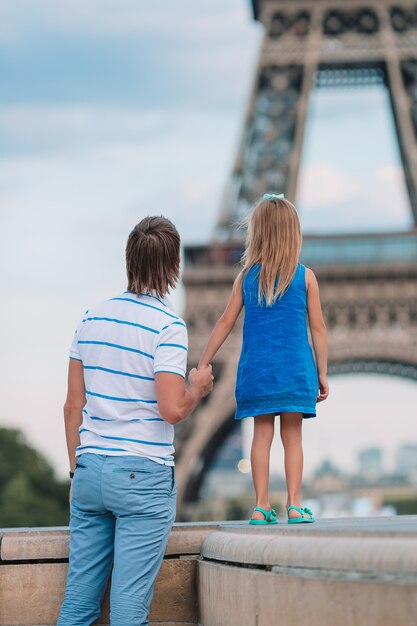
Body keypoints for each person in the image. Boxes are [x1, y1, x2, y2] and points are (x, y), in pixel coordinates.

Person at [57, 216, 213, 626]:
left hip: (89, 472)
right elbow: (172, 410)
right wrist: (197, 387)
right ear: (175, 264)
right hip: (142, 476)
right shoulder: (167, 326)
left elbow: (72, 407)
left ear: (128, 259)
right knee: (128, 613)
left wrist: (78, 470)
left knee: (77, 607)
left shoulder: (90, 317)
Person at [198, 193, 328, 525]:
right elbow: (318, 329)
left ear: (257, 234)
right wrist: (323, 374)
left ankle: (260, 505)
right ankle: (295, 504)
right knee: (293, 438)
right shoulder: (306, 277)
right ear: (294, 234)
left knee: (261, 435)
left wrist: (203, 361)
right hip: (295, 369)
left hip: (257, 371)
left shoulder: (245, 278)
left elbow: (225, 322)